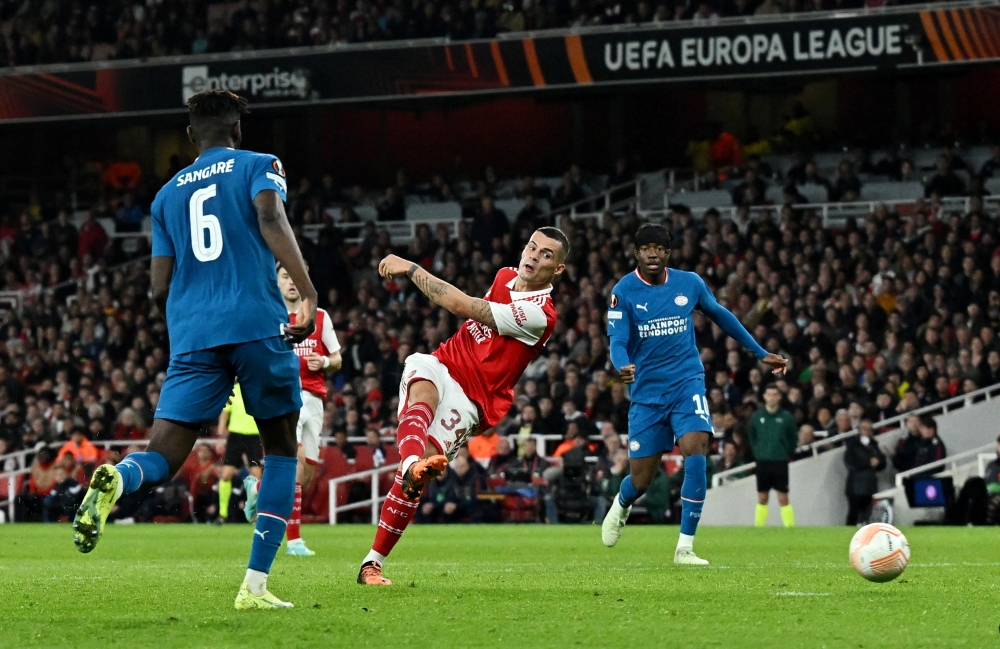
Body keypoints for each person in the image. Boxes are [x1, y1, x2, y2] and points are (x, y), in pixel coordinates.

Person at [71, 89, 317, 610]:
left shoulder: (164, 197)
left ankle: (117, 477)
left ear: (190, 138)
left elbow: (159, 288)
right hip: (255, 323)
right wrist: (308, 290)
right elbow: (271, 218)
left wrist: (191, 321)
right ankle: (254, 587)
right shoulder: (259, 164)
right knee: (280, 452)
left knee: (162, 454)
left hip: (192, 335)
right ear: (237, 131)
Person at [357, 226, 567, 585]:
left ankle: (371, 563)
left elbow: (460, 305)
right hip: (444, 362)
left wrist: (410, 268)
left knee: (422, 464)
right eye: (532, 247)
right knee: (422, 399)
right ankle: (410, 466)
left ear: (558, 269)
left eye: (546, 254)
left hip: (473, 399)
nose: (533, 256)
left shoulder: (540, 315)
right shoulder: (504, 276)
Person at [602, 223, 787, 565]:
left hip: (687, 384)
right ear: (636, 253)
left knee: (696, 451)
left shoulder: (690, 282)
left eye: (660, 247)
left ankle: (684, 547)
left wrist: (760, 352)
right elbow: (617, 339)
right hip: (647, 396)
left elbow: (720, 315)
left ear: (669, 253)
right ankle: (622, 503)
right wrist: (621, 363)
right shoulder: (623, 291)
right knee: (641, 479)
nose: (653, 253)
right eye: (646, 248)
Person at [245, 262, 342, 556]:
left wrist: (323, 362)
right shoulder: (268, 318)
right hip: (283, 397)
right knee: (295, 466)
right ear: (275, 282)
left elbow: (337, 358)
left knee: (307, 475)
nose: (291, 283)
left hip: (314, 400)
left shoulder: (320, 318)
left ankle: (256, 490)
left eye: (294, 277)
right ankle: (295, 541)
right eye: (285, 277)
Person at [748, 384, 798, 528]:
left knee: (783, 497)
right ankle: (759, 527)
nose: (771, 397)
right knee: (762, 497)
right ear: (764, 396)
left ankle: (790, 527)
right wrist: (758, 452)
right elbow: (752, 437)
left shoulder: (786, 417)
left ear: (779, 397)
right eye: (769, 394)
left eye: (774, 394)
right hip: (762, 462)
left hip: (780, 461)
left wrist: (785, 452)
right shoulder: (757, 417)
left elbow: (792, 438)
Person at [217, 383, 263, 521]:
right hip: (236, 435)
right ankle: (223, 513)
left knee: (256, 475)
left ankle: (256, 511)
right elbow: (225, 412)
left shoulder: (258, 389)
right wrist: (220, 436)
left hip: (254, 435)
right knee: (226, 475)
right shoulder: (234, 390)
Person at [843, 419, 886, 525]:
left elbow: (882, 463)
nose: (866, 431)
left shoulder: (874, 445)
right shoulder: (852, 446)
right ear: (859, 430)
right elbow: (851, 464)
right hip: (855, 487)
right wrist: (868, 463)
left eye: (869, 429)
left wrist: (879, 462)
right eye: (864, 428)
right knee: (854, 513)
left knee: (868, 515)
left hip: (870, 486)